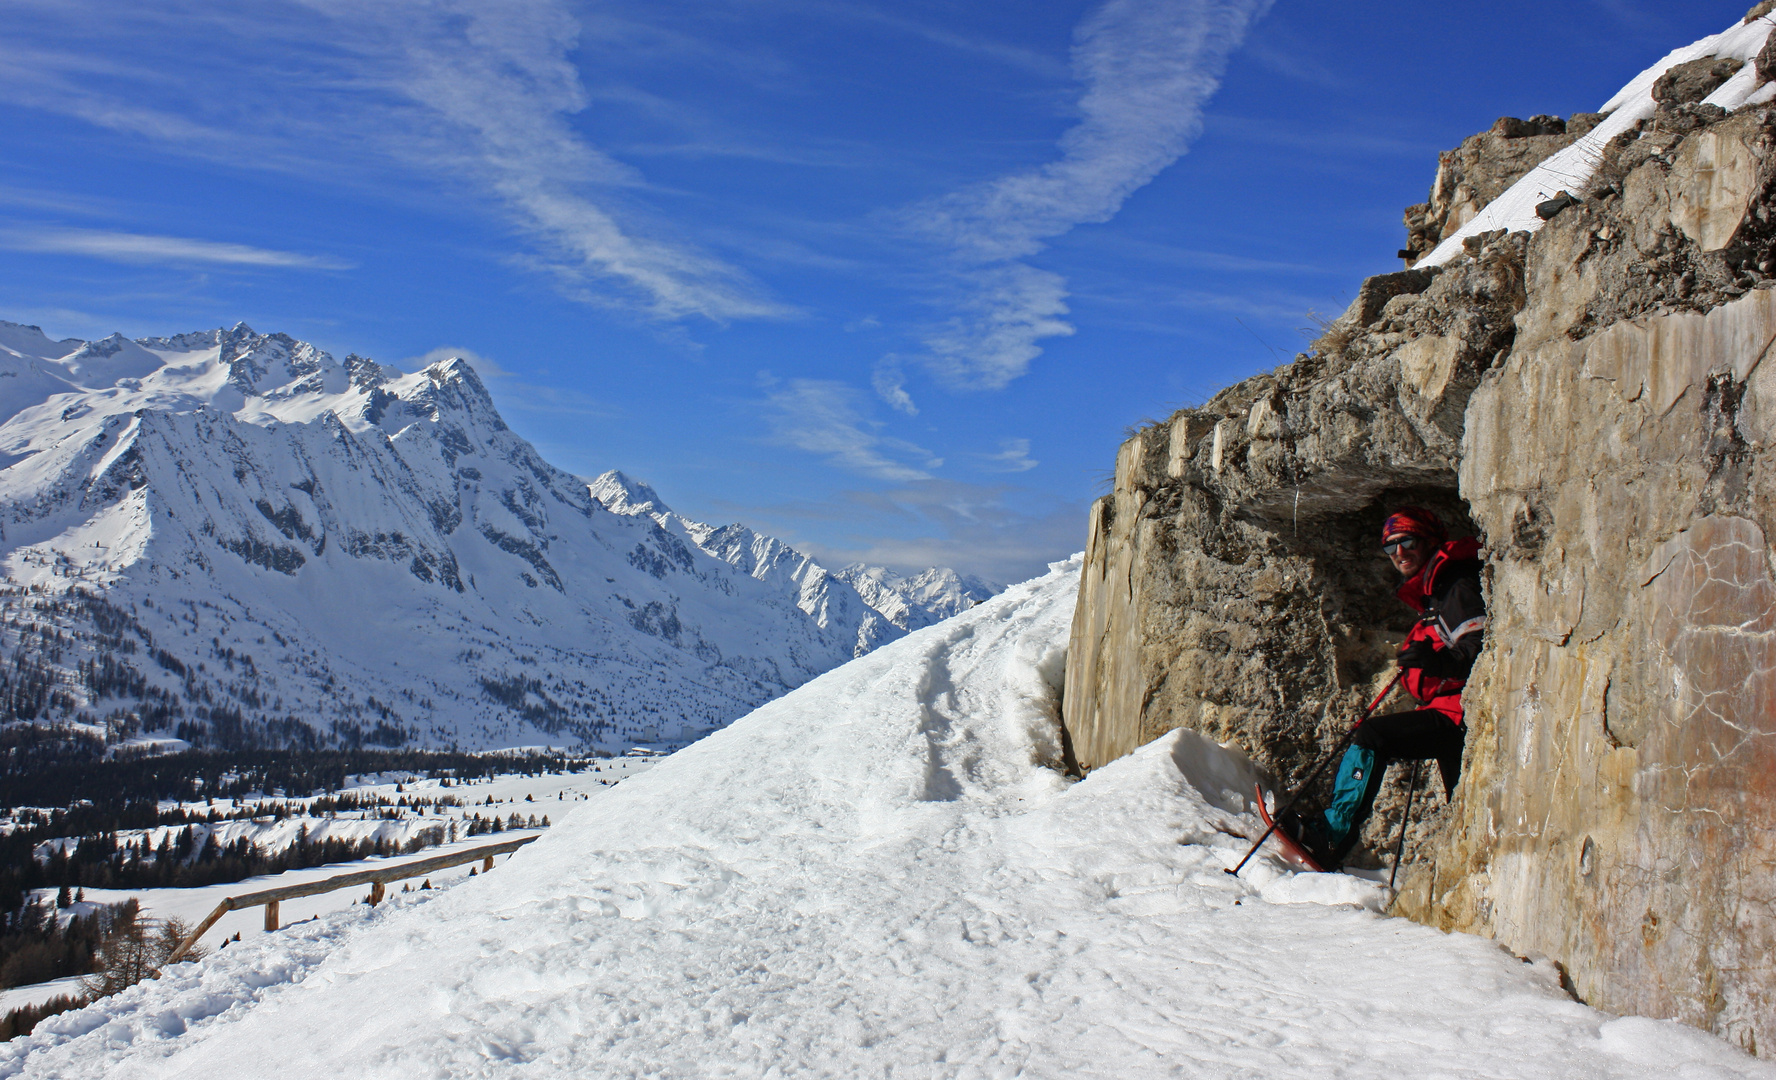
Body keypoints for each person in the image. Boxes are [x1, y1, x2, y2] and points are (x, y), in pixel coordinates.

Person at [1281, 506, 1484, 870]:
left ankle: (1331, 834)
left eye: (1407, 541)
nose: (1399, 553)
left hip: (1460, 714)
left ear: (1430, 541)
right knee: (1461, 798)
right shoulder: (1437, 592)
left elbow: (1479, 653)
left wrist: (1433, 662)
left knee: (1373, 735)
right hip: (1454, 713)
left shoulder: (1456, 586)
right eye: (1390, 547)